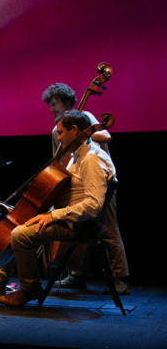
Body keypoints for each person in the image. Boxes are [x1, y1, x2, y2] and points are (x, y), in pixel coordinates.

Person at [0, 110, 117, 307]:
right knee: (20, 221)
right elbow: (66, 195)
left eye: (60, 132)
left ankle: (29, 289)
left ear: (74, 130)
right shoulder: (77, 157)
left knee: (20, 235)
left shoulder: (93, 158)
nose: (57, 138)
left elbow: (93, 206)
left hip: (84, 224)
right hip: (71, 218)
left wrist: (52, 216)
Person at [42, 83, 130, 295]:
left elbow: (106, 136)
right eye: (50, 105)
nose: (52, 108)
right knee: (75, 224)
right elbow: (59, 158)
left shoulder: (85, 116)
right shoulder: (57, 128)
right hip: (74, 178)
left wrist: (86, 133)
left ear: (65, 101)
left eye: (54, 104)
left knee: (107, 227)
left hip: (97, 177)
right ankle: (77, 275)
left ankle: (120, 278)